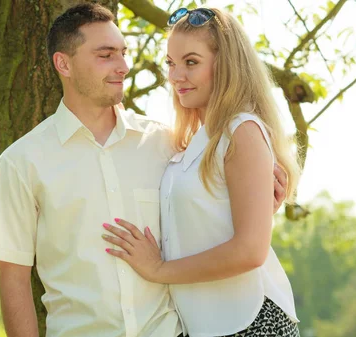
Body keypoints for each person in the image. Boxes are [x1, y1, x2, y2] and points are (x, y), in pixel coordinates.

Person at [0, 4, 286, 337]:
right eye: (106, 55)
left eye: (123, 53)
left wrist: (260, 200)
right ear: (64, 64)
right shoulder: (22, 161)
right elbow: (13, 280)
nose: (123, 66)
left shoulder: (168, 145)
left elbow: (211, 212)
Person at [102, 7, 301, 337]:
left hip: (252, 324)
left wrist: (158, 269)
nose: (176, 75)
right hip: (209, 326)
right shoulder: (195, 142)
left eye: (191, 62)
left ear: (224, 64)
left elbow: (251, 251)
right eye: (171, 63)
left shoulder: (242, 129)